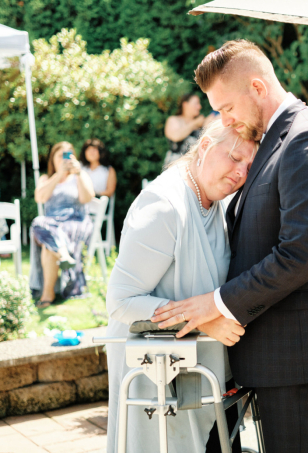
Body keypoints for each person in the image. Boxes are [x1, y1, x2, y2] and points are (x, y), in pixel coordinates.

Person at [152, 39, 308, 453]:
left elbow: (299, 256)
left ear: (258, 88)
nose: (224, 119)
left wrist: (216, 303)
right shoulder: (272, 141)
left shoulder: (307, 142)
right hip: (273, 355)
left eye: (226, 107)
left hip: (298, 357)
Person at [105, 119, 255, 452]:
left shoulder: (215, 199)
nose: (240, 173)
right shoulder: (163, 205)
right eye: (234, 157)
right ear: (204, 147)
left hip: (206, 372)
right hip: (156, 379)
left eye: (248, 166)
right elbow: (121, 301)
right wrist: (202, 318)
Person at [30, 142, 95, 309]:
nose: (65, 158)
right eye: (61, 155)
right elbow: (40, 198)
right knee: (38, 222)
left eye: (69, 154)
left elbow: (87, 198)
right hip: (52, 223)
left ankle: (47, 294)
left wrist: (79, 173)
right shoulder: (46, 178)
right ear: (53, 159)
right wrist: (58, 175)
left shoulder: (80, 176)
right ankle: (63, 253)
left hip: (75, 222)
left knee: (48, 245)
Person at [164, 93, 217, 165]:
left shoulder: (201, 124)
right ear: (185, 105)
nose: (199, 106)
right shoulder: (173, 120)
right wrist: (195, 123)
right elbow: (176, 136)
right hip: (175, 165)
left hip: (195, 167)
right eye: (196, 103)